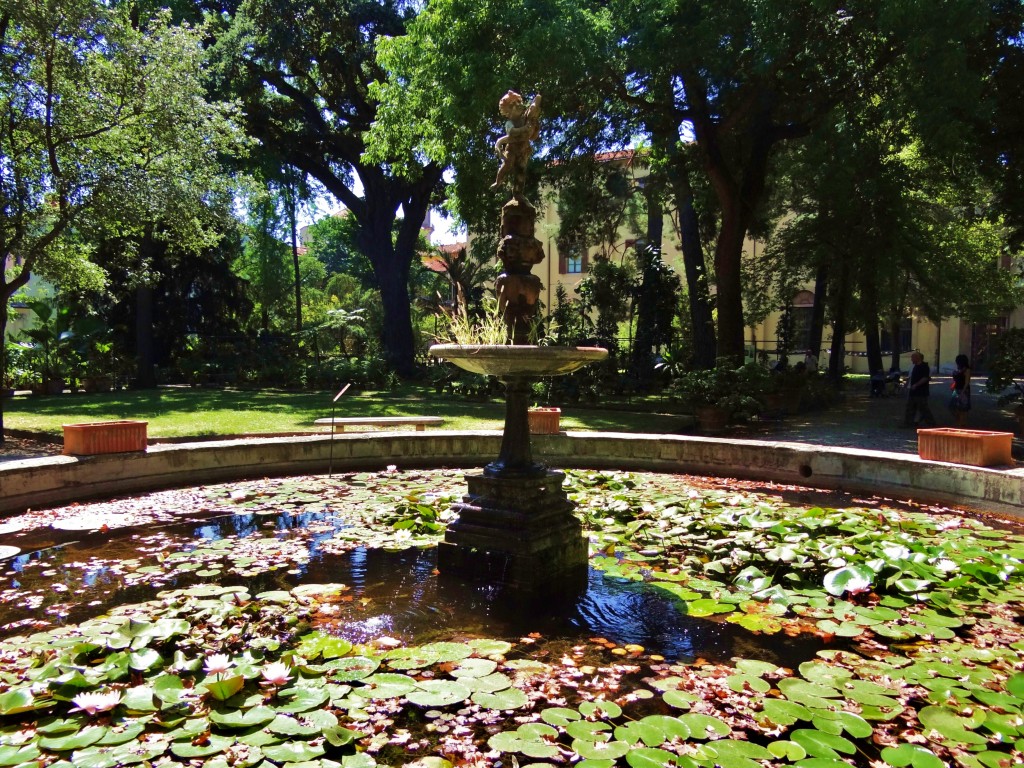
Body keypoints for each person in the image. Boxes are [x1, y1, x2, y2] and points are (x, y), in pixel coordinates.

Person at [902, 351, 936, 428]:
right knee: (910, 407)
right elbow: (911, 377)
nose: (911, 359)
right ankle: (908, 423)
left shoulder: (924, 366)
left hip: (921, 391)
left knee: (923, 408)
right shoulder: (915, 366)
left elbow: (925, 378)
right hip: (913, 391)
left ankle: (931, 423)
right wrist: (907, 385)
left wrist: (916, 385)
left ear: (918, 358)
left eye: (912, 358)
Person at [949, 353, 972, 427]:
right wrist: (953, 386)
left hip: (963, 390)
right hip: (956, 389)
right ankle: (958, 421)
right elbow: (956, 380)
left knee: (963, 409)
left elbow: (967, 382)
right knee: (953, 407)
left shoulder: (967, 370)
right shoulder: (958, 370)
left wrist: (963, 392)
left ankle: (961, 424)